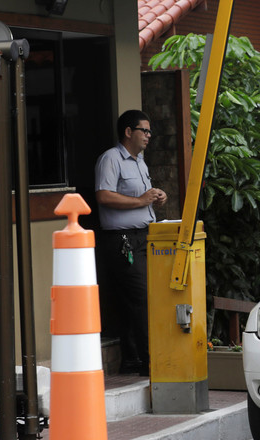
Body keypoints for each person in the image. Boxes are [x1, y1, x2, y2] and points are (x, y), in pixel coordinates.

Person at [95, 110, 167, 376]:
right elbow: (103, 195)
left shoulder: (140, 162)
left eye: (149, 131)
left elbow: (143, 196)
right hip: (122, 240)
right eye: (144, 130)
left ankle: (132, 359)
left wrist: (157, 197)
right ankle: (150, 362)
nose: (149, 136)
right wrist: (140, 201)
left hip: (143, 236)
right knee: (141, 298)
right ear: (128, 132)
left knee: (134, 301)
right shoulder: (111, 159)